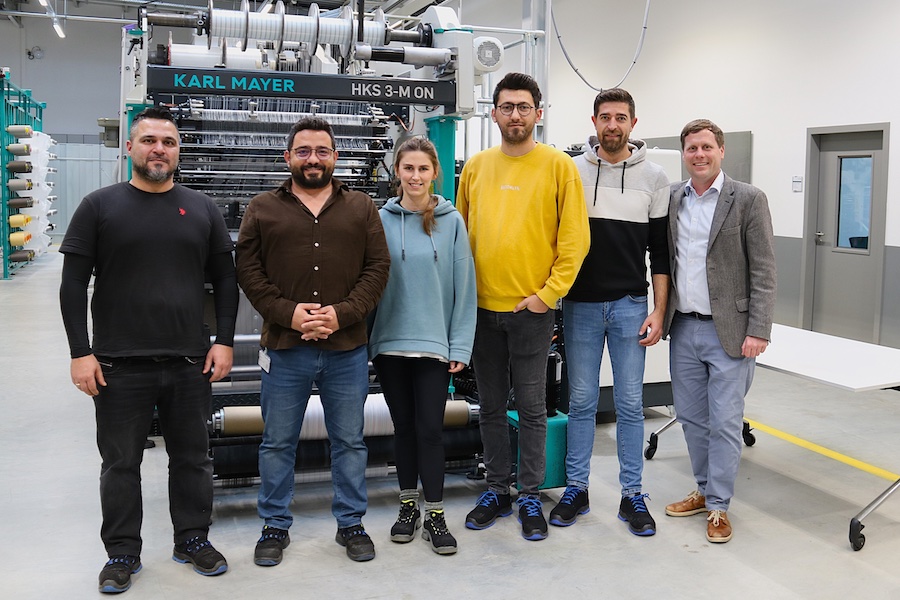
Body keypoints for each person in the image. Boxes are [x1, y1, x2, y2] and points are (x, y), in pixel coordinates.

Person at [59, 107, 238, 594]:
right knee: (120, 464)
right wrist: (81, 351)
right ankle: (121, 552)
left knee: (193, 458)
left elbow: (225, 279)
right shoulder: (99, 206)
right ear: (131, 147)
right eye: (149, 140)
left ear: (178, 152)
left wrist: (223, 340)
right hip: (118, 364)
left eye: (169, 142)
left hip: (188, 362)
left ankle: (192, 539)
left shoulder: (201, 208)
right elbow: (73, 284)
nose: (159, 149)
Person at [236, 116, 390, 564]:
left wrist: (340, 315)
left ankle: (351, 523)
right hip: (286, 349)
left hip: (346, 349)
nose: (313, 159)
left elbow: (377, 269)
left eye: (322, 151)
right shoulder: (262, 208)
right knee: (278, 441)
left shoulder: (361, 207)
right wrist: (290, 314)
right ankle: (274, 525)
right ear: (287, 157)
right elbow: (248, 271)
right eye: (303, 151)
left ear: (335, 157)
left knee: (349, 441)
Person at [456, 72, 590, 541]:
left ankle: (529, 494)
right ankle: (497, 489)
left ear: (538, 112)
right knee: (490, 406)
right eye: (506, 106)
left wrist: (546, 297)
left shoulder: (558, 167)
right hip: (480, 311)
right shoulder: (475, 168)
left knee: (532, 407)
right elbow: (461, 239)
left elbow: (575, 241)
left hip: (531, 312)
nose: (515, 114)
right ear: (493, 112)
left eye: (523, 106)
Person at [549, 88, 670, 536]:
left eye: (621, 117)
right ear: (594, 121)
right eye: (606, 117)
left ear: (633, 124)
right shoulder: (571, 171)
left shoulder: (655, 177)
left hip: (630, 306)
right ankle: (576, 490)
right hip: (579, 304)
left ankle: (632, 494)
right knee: (580, 402)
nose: (613, 125)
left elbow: (659, 250)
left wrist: (659, 308)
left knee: (631, 404)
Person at [662, 119, 776, 543]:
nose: (699, 155)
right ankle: (704, 489)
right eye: (692, 148)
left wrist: (759, 328)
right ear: (684, 153)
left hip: (730, 331)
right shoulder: (675, 198)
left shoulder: (747, 199)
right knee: (691, 418)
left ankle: (720, 508)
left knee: (726, 422)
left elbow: (764, 268)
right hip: (684, 328)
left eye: (706, 147)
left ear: (721, 151)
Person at [368, 137, 477, 555]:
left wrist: (459, 346)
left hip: (434, 344)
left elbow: (464, 289)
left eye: (423, 169)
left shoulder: (452, 222)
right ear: (397, 171)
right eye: (408, 168)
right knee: (403, 430)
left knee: (430, 430)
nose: (415, 177)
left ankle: (435, 513)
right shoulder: (379, 219)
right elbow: (368, 284)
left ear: (435, 173)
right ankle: (407, 508)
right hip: (391, 343)